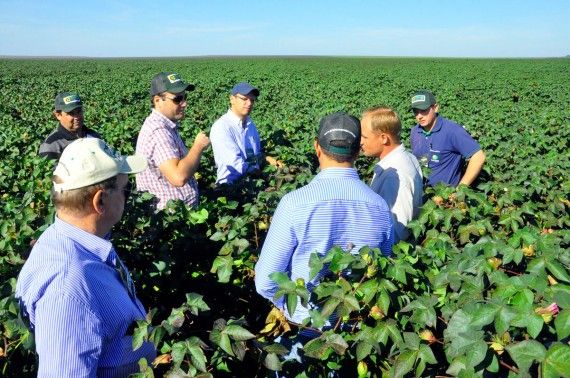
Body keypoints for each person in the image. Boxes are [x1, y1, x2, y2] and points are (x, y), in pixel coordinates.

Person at [16, 138, 156, 376]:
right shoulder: (68, 290)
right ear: (100, 200)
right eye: (126, 190)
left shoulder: (73, 241)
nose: (128, 197)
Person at [255, 112, 394, 327]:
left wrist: (292, 307)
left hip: (307, 328)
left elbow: (266, 280)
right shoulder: (380, 206)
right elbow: (381, 268)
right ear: (358, 151)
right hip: (359, 327)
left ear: (317, 148)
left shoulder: (294, 203)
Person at [135, 72, 210, 209]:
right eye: (177, 99)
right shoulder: (159, 131)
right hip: (169, 220)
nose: (184, 103)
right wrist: (198, 147)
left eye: (185, 97)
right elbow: (178, 176)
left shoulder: (166, 125)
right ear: (158, 100)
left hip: (179, 215)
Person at [360, 106, 423, 243]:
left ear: (383, 138)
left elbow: (398, 230)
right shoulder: (409, 158)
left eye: (365, 137)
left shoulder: (393, 177)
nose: (361, 142)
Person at [410, 90, 486, 187]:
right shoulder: (415, 131)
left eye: (424, 110)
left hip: (446, 197)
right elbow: (421, 158)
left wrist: (461, 189)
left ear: (436, 108)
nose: (419, 116)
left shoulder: (452, 130)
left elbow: (479, 157)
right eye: (416, 112)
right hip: (421, 193)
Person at [210, 82, 280, 185]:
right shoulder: (222, 127)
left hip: (253, 183)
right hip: (232, 187)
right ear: (232, 99)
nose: (249, 103)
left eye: (252, 100)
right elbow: (234, 164)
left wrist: (267, 159)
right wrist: (263, 175)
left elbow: (254, 154)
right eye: (244, 99)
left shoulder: (250, 124)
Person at [38, 92, 101, 160]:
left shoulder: (94, 136)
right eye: (71, 113)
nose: (77, 117)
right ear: (58, 115)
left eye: (79, 111)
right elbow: (49, 170)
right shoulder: (51, 145)